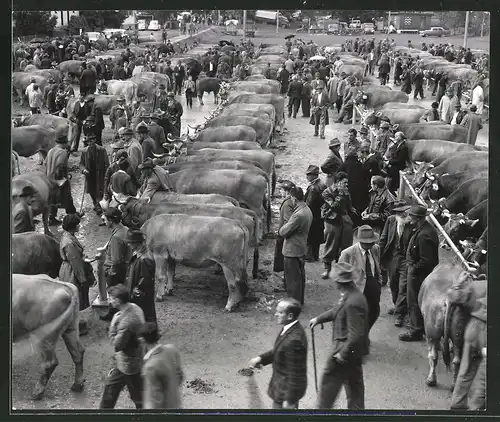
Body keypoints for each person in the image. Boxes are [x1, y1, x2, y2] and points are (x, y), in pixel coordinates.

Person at [309, 262, 369, 410]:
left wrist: (342, 354)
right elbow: (338, 310)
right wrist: (319, 319)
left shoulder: (353, 302)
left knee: (327, 389)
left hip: (343, 352)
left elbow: (356, 335)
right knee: (355, 390)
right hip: (353, 353)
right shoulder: (351, 294)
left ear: (338, 281)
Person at [248, 298, 308, 409]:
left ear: (290, 316)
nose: (276, 314)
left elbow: (296, 373)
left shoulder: (294, 340)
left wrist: (290, 400)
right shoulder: (290, 328)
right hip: (282, 388)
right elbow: (280, 350)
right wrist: (261, 359)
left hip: (285, 392)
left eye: (280, 312)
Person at [99, 284, 145, 409]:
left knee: (113, 390)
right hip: (136, 358)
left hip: (127, 364)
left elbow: (117, 345)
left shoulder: (125, 321)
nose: (109, 300)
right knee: (137, 393)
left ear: (118, 301)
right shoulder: (135, 307)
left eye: (110, 298)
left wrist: (112, 328)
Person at [399, 205, 439, 342]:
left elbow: (426, 260)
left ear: (417, 218)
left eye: (411, 216)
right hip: (421, 272)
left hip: (419, 274)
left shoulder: (424, 235)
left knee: (414, 301)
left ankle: (415, 330)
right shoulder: (425, 229)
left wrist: (413, 268)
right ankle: (419, 327)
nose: (409, 217)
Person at [449, 281, 487, 410]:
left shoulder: (478, 285)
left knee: (466, 369)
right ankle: (476, 410)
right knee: (485, 377)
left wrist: (457, 284)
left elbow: (454, 297)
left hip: (473, 329)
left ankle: (457, 404)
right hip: (490, 333)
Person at [338, 225, 382, 332]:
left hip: (373, 285)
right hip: (357, 289)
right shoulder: (347, 253)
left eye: (373, 241)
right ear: (361, 241)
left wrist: (378, 281)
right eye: (368, 242)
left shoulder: (375, 248)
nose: (372, 244)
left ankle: (363, 333)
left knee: (374, 312)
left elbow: (377, 265)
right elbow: (341, 275)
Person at [59, 213, 94, 336]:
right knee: (75, 296)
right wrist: (83, 279)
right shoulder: (70, 242)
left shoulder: (68, 236)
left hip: (68, 268)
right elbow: (76, 263)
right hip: (72, 272)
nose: (79, 226)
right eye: (77, 224)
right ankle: (74, 326)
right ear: (73, 226)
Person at [278, 187, 313, 305]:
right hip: (301, 247)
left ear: (294, 198)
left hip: (292, 250)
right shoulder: (307, 209)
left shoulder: (298, 215)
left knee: (292, 279)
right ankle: (299, 301)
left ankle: (293, 304)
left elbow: (283, 231)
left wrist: (282, 228)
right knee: (300, 277)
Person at [141, 322, 184, 409]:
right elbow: (180, 376)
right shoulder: (172, 349)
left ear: (142, 340)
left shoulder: (150, 367)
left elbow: (154, 401)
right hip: (177, 405)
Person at [99, 207, 132, 321]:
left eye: (105, 220)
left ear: (111, 221)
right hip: (125, 269)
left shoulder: (116, 237)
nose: (105, 222)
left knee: (115, 296)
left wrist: (111, 273)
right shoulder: (125, 230)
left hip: (116, 272)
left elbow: (117, 260)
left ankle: (115, 318)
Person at [378, 201, 411, 314]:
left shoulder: (411, 223)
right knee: (393, 283)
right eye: (399, 212)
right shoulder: (391, 220)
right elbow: (383, 238)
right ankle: (397, 305)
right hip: (393, 257)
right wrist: (378, 255)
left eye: (404, 212)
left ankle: (400, 313)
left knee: (403, 285)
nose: (402, 214)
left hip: (406, 259)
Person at [320, 172, 355, 279]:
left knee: (345, 244)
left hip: (344, 219)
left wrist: (352, 209)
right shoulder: (327, 192)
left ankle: (341, 268)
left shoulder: (345, 190)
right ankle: (327, 268)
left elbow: (349, 204)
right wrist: (340, 195)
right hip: (332, 220)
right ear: (337, 182)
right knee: (331, 243)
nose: (346, 185)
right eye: (344, 183)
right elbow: (334, 207)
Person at [46, 135, 81, 225]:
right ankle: (72, 215)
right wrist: (63, 177)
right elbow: (60, 165)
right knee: (67, 197)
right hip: (59, 179)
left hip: (49, 179)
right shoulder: (63, 152)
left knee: (52, 199)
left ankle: (51, 217)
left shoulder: (50, 151)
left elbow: (46, 163)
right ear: (65, 143)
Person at [80, 133, 109, 216]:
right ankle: (96, 204)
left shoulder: (102, 150)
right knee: (91, 190)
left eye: (92, 140)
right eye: (88, 141)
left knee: (99, 189)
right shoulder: (85, 151)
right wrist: (84, 170)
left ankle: (98, 205)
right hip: (89, 174)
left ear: (95, 140)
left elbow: (106, 163)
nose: (90, 143)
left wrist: (107, 173)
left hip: (100, 173)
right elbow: (81, 164)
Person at [273, 181, 296, 288]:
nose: (280, 191)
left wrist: (282, 233)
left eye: (281, 189)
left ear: (286, 191)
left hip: (284, 235)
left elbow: (288, 221)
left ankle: (286, 284)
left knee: (285, 261)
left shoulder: (287, 203)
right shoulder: (292, 201)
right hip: (286, 235)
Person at [304, 165, 326, 262]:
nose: (307, 177)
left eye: (308, 175)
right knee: (317, 236)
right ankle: (315, 255)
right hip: (319, 214)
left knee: (310, 235)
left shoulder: (313, 188)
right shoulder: (322, 184)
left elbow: (309, 203)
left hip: (312, 214)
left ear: (314, 175)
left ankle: (309, 256)